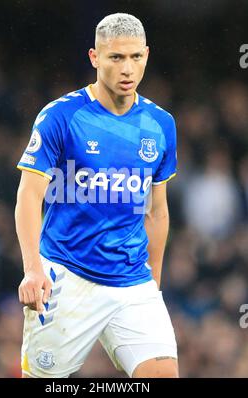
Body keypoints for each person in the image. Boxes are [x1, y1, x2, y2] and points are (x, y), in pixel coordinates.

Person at [15, 13, 178, 378]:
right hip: (67, 276)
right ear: (94, 58)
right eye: (116, 58)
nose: (127, 69)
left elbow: (157, 212)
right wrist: (32, 270)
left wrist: (155, 284)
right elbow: (29, 196)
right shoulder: (60, 116)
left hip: (133, 280)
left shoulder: (160, 124)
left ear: (147, 56)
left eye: (136, 57)